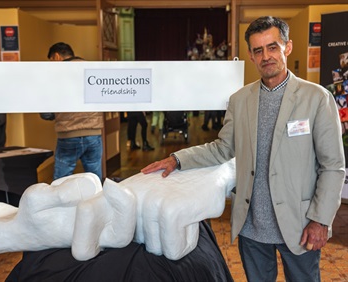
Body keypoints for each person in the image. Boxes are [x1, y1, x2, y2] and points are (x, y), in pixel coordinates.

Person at [141, 16, 345, 281]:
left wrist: (320, 220)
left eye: (273, 47)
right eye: (258, 50)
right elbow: (222, 148)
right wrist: (177, 159)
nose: (266, 56)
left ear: (288, 47)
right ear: (250, 55)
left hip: (300, 223)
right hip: (252, 225)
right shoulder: (240, 100)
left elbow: (333, 166)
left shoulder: (317, 98)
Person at [40, 42, 104, 180]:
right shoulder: (92, 69)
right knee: (95, 180)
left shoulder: (55, 74)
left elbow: (46, 112)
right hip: (94, 132)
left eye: (51, 61)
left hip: (69, 133)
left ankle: (64, 202)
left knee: (62, 180)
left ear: (56, 56)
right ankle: (97, 201)